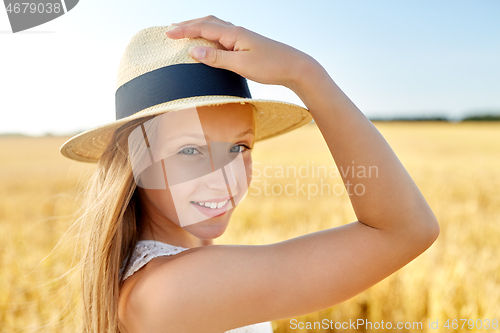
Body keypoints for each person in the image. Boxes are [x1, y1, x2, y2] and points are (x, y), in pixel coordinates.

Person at [60, 15, 439, 333]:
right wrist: (304, 73)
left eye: (239, 147)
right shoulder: (171, 289)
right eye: (190, 150)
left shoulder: (163, 274)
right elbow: (405, 230)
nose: (225, 178)